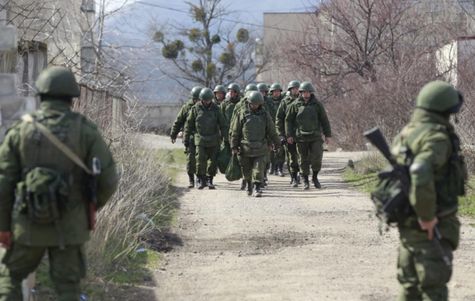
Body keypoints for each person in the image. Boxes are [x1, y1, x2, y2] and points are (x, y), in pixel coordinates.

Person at [0, 66, 118, 300]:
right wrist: (88, 207)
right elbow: (108, 179)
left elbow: (4, 183)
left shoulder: (20, 130)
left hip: (27, 225)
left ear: (40, 95)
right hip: (70, 225)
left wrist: (4, 225)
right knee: (67, 288)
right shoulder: (85, 131)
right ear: (72, 98)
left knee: (10, 279)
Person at [391, 81, 465, 300]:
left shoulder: (407, 133)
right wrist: (428, 217)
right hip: (432, 224)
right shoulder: (436, 138)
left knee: (409, 285)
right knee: (433, 288)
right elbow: (420, 171)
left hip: (407, 222)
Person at [230, 91, 280, 197]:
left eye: (257, 104)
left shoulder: (265, 115)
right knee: (246, 170)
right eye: (253, 104)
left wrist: (277, 143)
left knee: (258, 169)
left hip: (260, 147)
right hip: (245, 148)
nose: (255, 106)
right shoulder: (242, 113)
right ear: (249, 102)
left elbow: (271, 130)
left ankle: (257, 187)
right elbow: (235, 131)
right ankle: (249, 185)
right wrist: (234, 146)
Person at [285, 81, 331, 190]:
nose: (306, 94)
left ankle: (315, 177)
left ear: (311, 93)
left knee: (317, 158)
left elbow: (324, 120)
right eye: (304, 92)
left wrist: (327, 135)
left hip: (315, 136)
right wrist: (289, 135)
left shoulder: (317, 104)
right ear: (300, 93)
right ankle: (305, 180)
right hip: (301, 137)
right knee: (303, 159)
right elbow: (288, 121)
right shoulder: (294, 105)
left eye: (308, 92)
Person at [184, 88, 226, 190]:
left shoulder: (216, 109)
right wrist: (186, 139)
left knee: (213, 162)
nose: (207, 102)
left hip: (213, 139)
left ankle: (210, 179)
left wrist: (226, 139)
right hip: (200, 139)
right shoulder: (195, 109)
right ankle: (200, 180)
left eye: (209, 100)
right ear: (201, 99)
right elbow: (188, 125)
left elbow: (223, 124)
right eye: (205, 100)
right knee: (200, 160)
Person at [170, 86, 202, 188]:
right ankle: (191, 180)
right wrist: (173, 134)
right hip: (190, 136)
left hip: (202, 137)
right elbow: (178, 121)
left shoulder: (205, 107)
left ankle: (200, 178)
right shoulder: (186, 108)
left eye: (199, 99)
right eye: (195, 99)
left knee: (201, 159)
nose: (197, 101)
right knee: (190, 159)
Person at [276, 80, 301, 187]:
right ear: (290, 90)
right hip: (289, 134)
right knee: (292, 158)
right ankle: (294, 177)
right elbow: (279, 119)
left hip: (302, 134)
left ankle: (301, 175)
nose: (296, 90)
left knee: (303, 157)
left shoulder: (303, 100)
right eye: (293, 89)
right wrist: (281, 134)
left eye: (297, 88)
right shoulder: (284, 102)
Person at [268, 83, 286, 176]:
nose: (277, 93)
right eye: (275, 91)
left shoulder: (284, 101)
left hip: (281, 128)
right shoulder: (267, 101)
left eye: (278, 91)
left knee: (281, 149)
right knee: (271, 149)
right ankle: (272, 166)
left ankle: (280, 168)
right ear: (271, 92)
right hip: (270, 127)